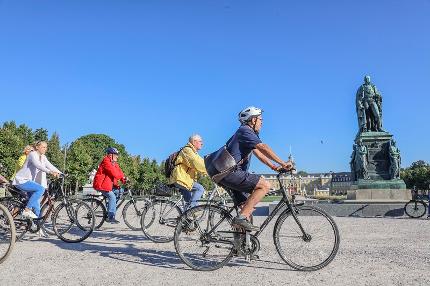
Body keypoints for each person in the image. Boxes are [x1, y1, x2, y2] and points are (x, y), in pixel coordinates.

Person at [205, 106, 293, 231]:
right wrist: (283, 163)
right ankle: (241, 219)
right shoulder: (245, 131)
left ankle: (239, 246)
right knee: (264, 185)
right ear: (253, 120)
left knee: (247, 208)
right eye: (260, 119)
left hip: (224, 174)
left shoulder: (245, 134)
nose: (262, 122)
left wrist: (275, 167)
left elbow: (260, 154)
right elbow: (263, 147)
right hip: (230, 173)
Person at [12, 141, 61, 219]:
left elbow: (49, 165)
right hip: (21, 180)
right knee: (40, 189)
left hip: (29, 181)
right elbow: (37, 165)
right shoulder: (32, 154)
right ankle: (27, 210)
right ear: (37, 147)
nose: (45, 149)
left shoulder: (43, 157)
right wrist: (50, 172)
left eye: (46, 147)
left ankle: (36, 227)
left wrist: (60, 173)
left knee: (37, 207)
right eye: (43, 147)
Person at [169, 134, 207, 209]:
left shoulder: (193, 152)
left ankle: (184, 218)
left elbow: (200, 162)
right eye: (200, 141)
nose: (202, 143)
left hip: (183, 179)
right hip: (180, 178)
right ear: (194, 142)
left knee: (190, 203)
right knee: (200, 189)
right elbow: (196, 162)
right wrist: (209, 170)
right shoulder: (187, 150)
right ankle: (190, 212)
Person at [93, 147, 127, 224]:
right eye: (116, 155)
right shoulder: (106, 161)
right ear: (110, 155)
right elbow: (113, 172)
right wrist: (121, 178)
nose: (117, 156)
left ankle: (110, 207)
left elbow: (119, 172)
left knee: (120, 191)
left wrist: (124, 179)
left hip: (108, 185)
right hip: (101, 185)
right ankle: (111, 216)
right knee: (112, 196)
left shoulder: (114, 163)